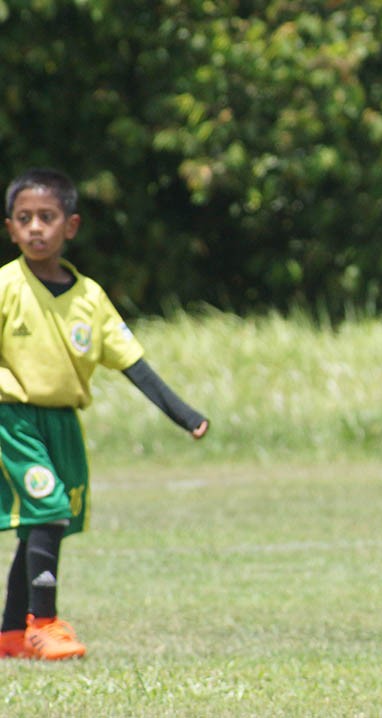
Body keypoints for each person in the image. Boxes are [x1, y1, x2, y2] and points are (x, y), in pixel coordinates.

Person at [0, 168, 209, 660]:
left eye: (46, 218)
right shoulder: (5, 287)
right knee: (48, 508)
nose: (34, 227)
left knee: (40, 524)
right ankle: (45, 624)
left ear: (70, 226)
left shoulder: (89, 298)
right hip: (13, 419)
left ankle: (10, 634)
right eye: (23, 218)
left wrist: (183, 413)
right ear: (10, 228)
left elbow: (131, 361)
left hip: (62, 423)